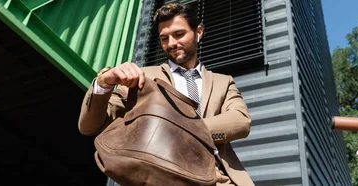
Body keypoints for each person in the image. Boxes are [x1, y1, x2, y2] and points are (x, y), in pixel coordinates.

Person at [78, 2, 253, 186]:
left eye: (179, 34)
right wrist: (104, 82)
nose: (171, 44)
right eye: (164, 38)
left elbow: (240, 121)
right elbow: (89, 126)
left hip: (219, 179)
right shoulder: (141, 77)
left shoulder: (223, 82)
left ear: (199, 32)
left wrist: (180, 130)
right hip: (160, 176)